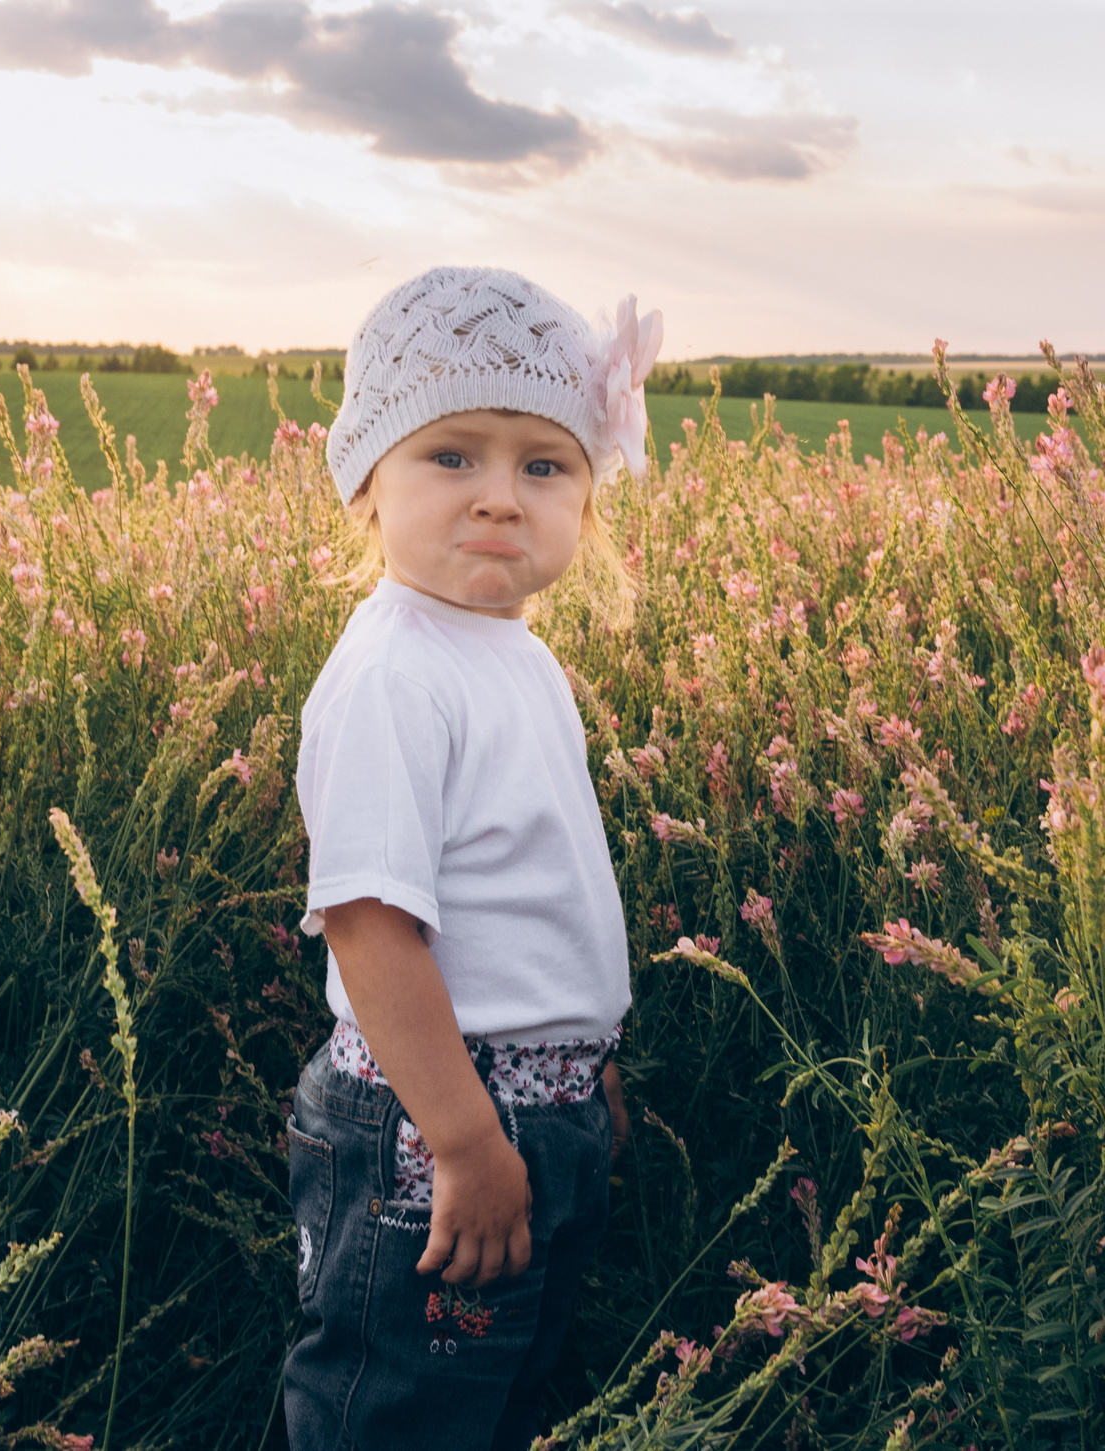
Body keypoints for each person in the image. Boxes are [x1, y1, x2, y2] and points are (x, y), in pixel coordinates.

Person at [281, 265, 664, 1450]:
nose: (501, 496)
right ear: (367, 482)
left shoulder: (513, 655)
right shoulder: (398, 670)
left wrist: (578, 1058)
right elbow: (368, 926)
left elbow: (535, 895)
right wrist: (463, 1136)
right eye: (453, 454)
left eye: (543, 465)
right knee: (396, 1410)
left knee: (499, 1401)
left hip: (527, 1113)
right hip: (429, 1124)